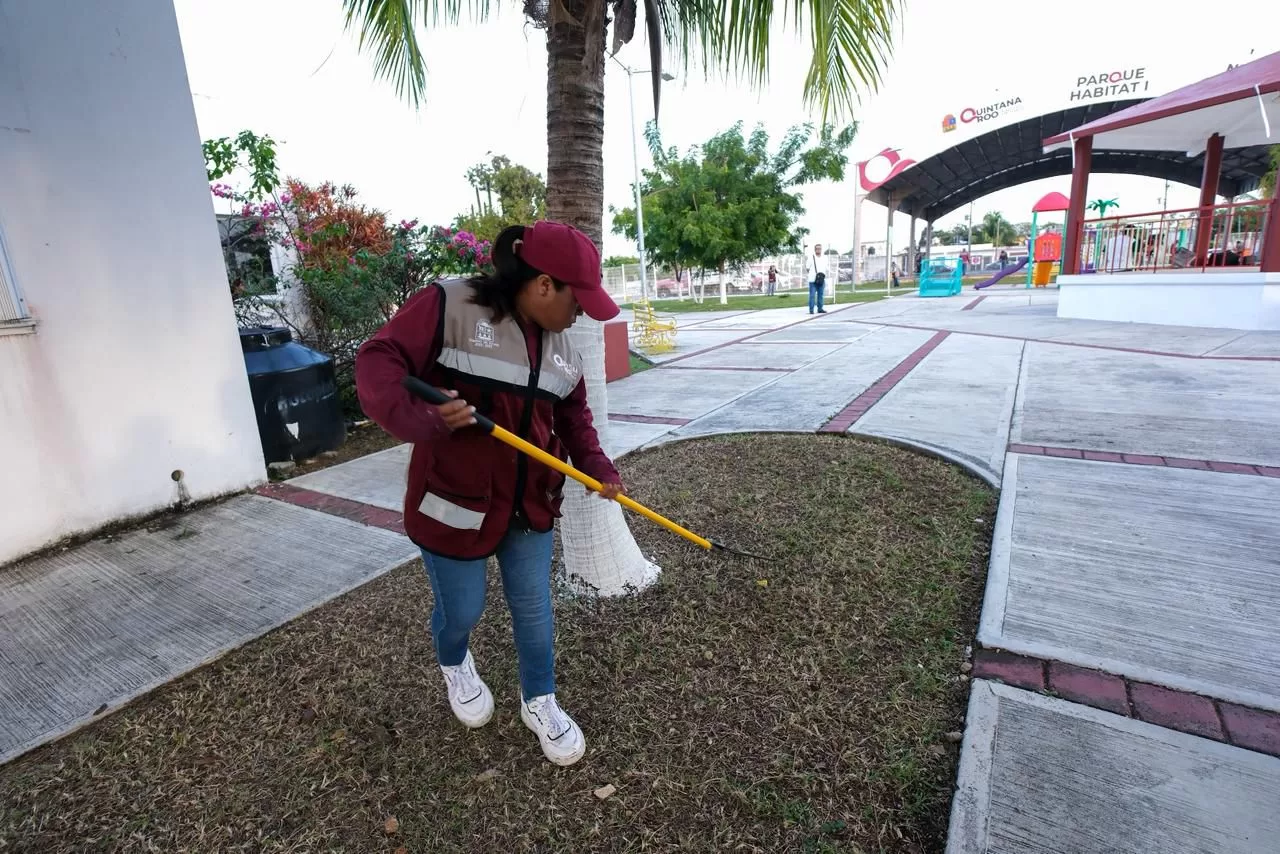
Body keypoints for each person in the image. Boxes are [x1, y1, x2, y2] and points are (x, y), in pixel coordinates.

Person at [354, 221, 624, 767]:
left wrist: (596, 465)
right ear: (544, 285)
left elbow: (573, 417)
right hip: (455, 505)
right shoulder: (449, 306)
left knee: (534, 608)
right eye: (578, 300)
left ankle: (539, 699)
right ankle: (454, 660)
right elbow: (378, 359)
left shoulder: (562, 349)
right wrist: (425, 417)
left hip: (530, 505)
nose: (581, 314)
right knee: (463, 610)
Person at [805, 243, 827, 314]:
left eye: (819, 248)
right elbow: (807, 268)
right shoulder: (811, 257)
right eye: (817, 248)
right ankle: (811, 310)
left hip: (821, 279)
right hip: (813, 280)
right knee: (812, 295)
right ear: (815, 250)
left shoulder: (824, 257)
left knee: (820, 295)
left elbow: (825, 267)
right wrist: (813, 274)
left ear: (821, 249)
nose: (818, 250)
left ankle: (820, 308)